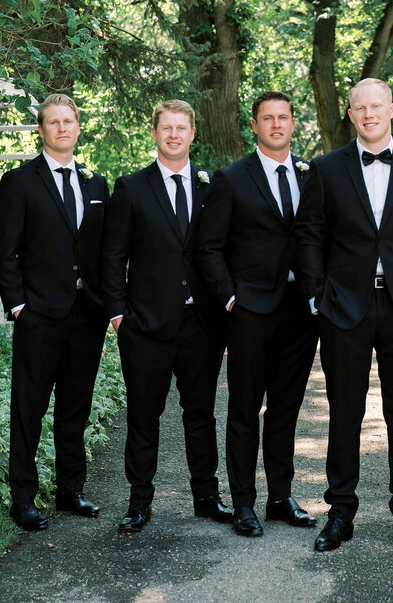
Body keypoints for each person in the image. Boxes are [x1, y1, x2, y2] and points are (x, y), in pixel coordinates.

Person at [295, 78, 393, 551]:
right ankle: (340, 513)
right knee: (345, 413)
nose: (368, 115)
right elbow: (309, 235)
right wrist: (317, 295)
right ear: (350, 114)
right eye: (360, 108)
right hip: (345, 306)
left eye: (376, 107)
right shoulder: (325, 169)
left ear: (392, 110)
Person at [101, 99, 231, 533]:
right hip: (146, 326)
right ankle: (139, 502)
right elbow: (113, 255)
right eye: (166, 128)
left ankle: (207, 498)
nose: (174, 135)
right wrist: (119, 316)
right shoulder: (131, 188)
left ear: (193, 133)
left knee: (201, 414)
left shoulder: (213, 186)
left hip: (202, 325)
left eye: (182, 128)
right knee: (143, 414)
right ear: (154, 133)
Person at [197, 91, 319, 538]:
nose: (276, 124)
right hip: (249, 310)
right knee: (246, 409)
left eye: (283, 117)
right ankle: (244, 504)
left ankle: (281, 498)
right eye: (267, 118)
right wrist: (230, 298)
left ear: (292, 123)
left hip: (300, 312)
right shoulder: (230, 179)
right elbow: (209, 247)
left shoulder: (311, 174)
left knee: (286, 410)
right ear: (255, 125)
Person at [0, 93, 110, 531]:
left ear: (78, 128)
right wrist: (20, 306)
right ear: (41, 130)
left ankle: (70, 490)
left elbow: (104, 250)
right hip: (39, 314)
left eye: (69, 121)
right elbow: (4, 252)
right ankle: (22, 499)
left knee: (75, 406)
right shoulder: (20, 182)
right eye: (53, 122)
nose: (63, 128)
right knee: (29, 409)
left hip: (86, 315)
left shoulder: (96, 184)